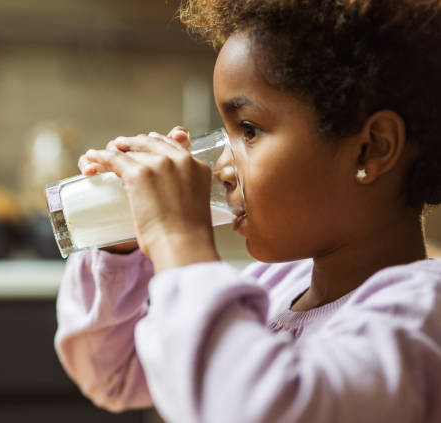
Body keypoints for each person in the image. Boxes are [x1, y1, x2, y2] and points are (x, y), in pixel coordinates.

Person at [54, 1, 441, 422]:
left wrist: (177, 239)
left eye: (249, 131)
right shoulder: (272, 285)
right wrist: (124, 243)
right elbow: (115, 372)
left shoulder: (420, 315)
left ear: (372, 147)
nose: (220, 167)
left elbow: (260, 410)